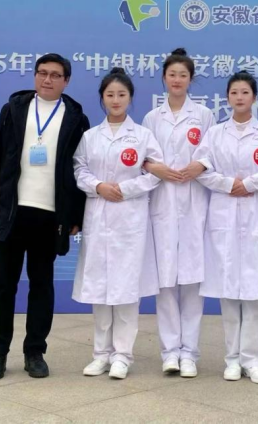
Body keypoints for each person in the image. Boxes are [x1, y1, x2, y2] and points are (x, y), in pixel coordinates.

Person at [0, 53, 90, 380]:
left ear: (66, 81)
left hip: (50, 215)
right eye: (42, 73)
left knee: (42, 286)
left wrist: (76, 215)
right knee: (3, 285)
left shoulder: (76, 118)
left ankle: (35, 352)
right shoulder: (13, 110)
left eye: (55, 75)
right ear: (35, 76)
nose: (47, 79)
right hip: (11, 211)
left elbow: (80, 170)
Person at [193, 71, 258, 384]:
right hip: (224, 217)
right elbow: (200, 169)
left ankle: (253, 360)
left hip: (255, 218)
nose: (239, 97)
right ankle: (232, 359)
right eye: (234, 92)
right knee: (228, 293)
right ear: (227, 98)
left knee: (254, 293)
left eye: (245, 92)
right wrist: (228, 184)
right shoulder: (215, 134)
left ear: (254, 97)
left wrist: (250, 184)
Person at [72, 67, 163, 380]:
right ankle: (101, 354)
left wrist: (125, 189)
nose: (115, 100)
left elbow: (155, 173)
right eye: (110, 94)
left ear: (130, 98)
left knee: (126, 291)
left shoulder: (142, 136)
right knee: (100, 290)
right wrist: (98, 187)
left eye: (121, 94)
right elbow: (79, 169)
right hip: (99, 215)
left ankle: (123, 355)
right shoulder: (90, 137)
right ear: (102, 98)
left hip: (129, 218)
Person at [142, 48, 215, 378]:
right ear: (164, 78)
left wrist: (200, 165)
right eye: (172, 74)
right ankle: (170, 352)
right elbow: (142, 157)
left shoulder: (204, 115)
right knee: (166, 282)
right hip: (162, 203)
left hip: (194, 203)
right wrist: (155, 167)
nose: (177, 80)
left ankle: (190, 354)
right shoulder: (151, 118)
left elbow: (212, 152)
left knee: (192, 282)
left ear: (190, 79)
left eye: (183, 75)